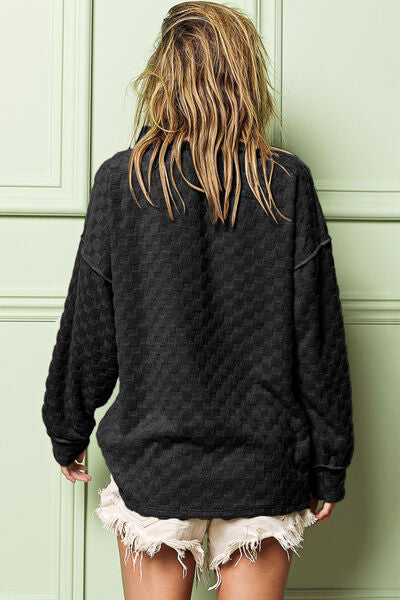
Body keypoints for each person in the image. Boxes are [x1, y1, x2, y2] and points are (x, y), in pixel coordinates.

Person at [41, 2, 354, 599]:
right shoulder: (286, 182)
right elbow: (317, 337)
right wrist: (329, 463)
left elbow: (90, 326)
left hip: (156, 462)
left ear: (162, 78)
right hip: (263, 463)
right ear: (246, 78)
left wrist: (67, 426)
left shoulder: (122, 181)